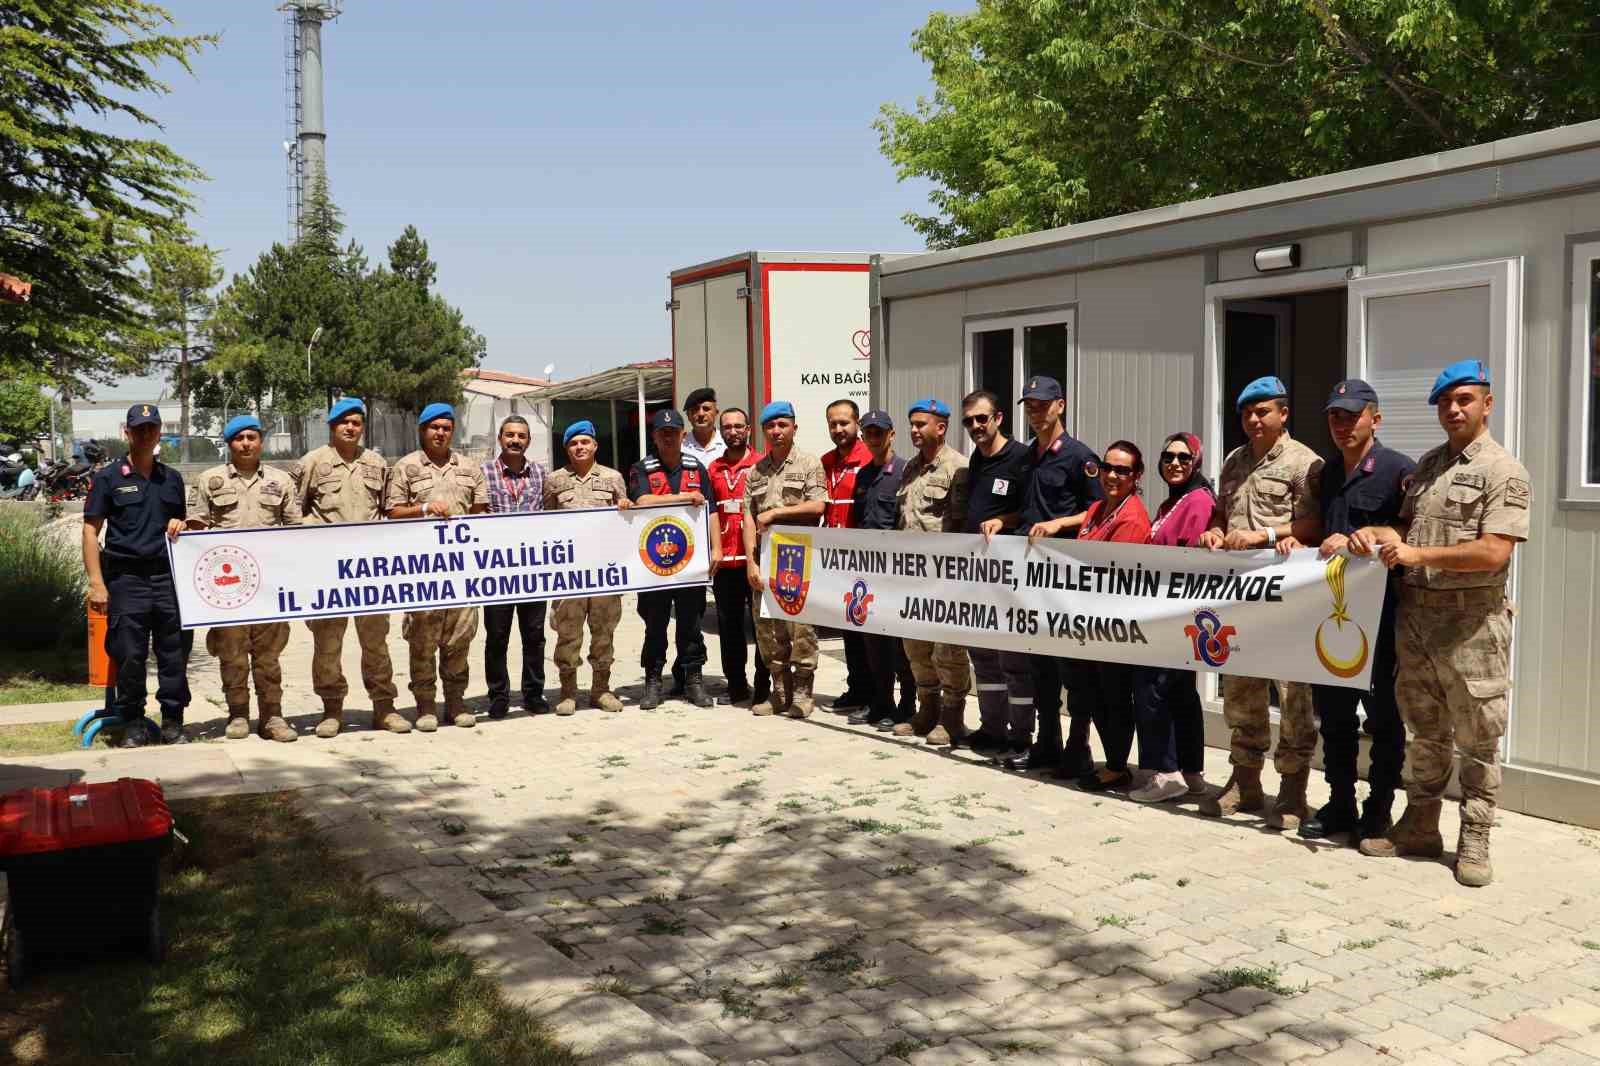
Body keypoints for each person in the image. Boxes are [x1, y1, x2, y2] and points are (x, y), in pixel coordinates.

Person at [1356, 360, 1529, 887]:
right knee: (1426, 731)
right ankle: (1421, 824)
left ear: (1487, 405)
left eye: (1465, 400)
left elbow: (1493, 552)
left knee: (1478, 739)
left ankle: (1474, 836)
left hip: (1471, 628)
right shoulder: (1429, 466)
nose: (1454, 409)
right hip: (1418, 624)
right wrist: (1371, 533)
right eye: (1445, 402)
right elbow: (1405, 528)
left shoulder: (1504, 471)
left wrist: (1414, 554)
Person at [1277, 381, 1413, 842]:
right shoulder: (1327, 473)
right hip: (1333, 616)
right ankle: (1339, 803)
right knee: (1334, 716)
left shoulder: (1398, 470)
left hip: (1382, 619)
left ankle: (1378, 809)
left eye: (1351, 415)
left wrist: (1373, 532)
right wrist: (1300, 541)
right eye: (1334, 416)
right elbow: (1321, 531)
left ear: (1375, 418)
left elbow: (1413, 530)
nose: (1341, 424)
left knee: (1384, 719)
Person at [1198, 376, 1323, 828]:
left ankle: (1292, 791)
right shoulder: (1235, 460)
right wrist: (1214, 529)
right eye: (1248, 412)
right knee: (1242, 690)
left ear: (1283, 414)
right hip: (1241, 598)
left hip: (1287, 598)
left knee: (1292, 695)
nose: (1254, 419)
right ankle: (1245, 782)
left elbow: (1314, 526)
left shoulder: (1304, 462)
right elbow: (1221, 511)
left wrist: (1266, 536)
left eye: (1263, 411)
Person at [988, 376, 1103, 775]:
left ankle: (1078, 746)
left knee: (1071, 667)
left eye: (1042, 404)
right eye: (1030, 405)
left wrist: (1059, 525)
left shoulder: (1079, 457)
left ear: (1060, 406)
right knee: (1040, 666)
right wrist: (1002, 520)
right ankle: (1047, 741)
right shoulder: (1026, 457)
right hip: (1029, 574)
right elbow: (1026, 508)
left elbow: (1099, 510)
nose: (1035, 411)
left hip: (1064, 576)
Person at [1035, 441, 1149, 791]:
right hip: (1086, 621)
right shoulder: (1102, 506)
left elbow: (1112, 574)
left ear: (1136, 476)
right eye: (1107, 467)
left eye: (1122, 470)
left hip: (1111, 624)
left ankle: (1116, 766)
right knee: (1089, 693)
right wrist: (1056, 524)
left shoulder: (1131, 518)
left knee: (1112, 697)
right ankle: (1094, 757)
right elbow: (1087, 517)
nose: (1113, 475)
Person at [185, 415, 301, 742]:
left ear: (261, 441)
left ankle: (273, 717)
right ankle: (237, 714)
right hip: (229, 587)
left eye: (252, 437)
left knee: (268, 656)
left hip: (270, 586)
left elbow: (296, 530)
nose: (246, 443)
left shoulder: (281, 480)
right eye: (239, 438)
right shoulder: (210, 480)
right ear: (229, 444)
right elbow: (198, 526)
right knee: (232, 654)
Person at [295, 398, 407, 736]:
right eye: (343, 421)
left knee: (376, 642)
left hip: (369, 570)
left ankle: (384, 708)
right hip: (327, 570)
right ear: (332, 425)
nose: (350, 427)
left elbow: (388, 511)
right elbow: (293, 514)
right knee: (328, 644)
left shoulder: (376, 463)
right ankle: (332, 710)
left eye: (356, 422)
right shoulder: (311, 463)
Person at [82, 404, 191, 746]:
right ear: (127, 434)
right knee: (129, 653)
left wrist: (181, 525)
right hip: (126, 579)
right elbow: (90, 531)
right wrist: (97, 583)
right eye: (139, 428)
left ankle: (173, 720)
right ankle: (133, 722)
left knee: (174, 652)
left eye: (151, 428)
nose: (146, 434)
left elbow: (180, 528)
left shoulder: (171, 479)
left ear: (159, 433)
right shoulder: (108, 478)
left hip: (166, 579)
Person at [383, 403, 488, 731]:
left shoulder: (470, 468)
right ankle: (426, 705)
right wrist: (424, 508)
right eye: (434, 427)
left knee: (460, 638)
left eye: (446, 427)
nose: (440, 432)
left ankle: (455, 702)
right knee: (422, 641)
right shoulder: (405, 467)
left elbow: (481, 512)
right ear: (422, 430)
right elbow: (392, 512)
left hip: (460, 570)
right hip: (422, 571)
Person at [1129, 432, 1214, 803]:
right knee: (1180, 692)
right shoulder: (1170, 503)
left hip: (1175, 611)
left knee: (1154, 689)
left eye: (1183, 457)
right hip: (1163, 609)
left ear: (1195, 461)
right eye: (1167, 457)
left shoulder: (1197, 500)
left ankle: (1165, 773)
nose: (1175, 463)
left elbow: (1186, 560)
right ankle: (1190, 771)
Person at [629, 408, 721, 709]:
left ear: (683, 434)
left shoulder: (697, 467)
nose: (668, 437)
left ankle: (692, 679)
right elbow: (642, 501)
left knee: (691, 624)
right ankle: (653, 681)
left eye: (674, 432)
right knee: (654, 625)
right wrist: (684, 498)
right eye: (662, 433)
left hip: (690, 564)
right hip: (653, 564)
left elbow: (712, 511)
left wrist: (716, 549)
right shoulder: (643, 467)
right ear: (654, 437)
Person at [894, 398, 973, 746]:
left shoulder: (959, 467)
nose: (914, 430)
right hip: (910, 576)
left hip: (945, 575)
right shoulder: (910, 468)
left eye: (921, 424)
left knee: (948, 649)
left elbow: (961, 524)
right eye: (911, 424)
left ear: (940, 427)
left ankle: (952, 715)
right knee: (916, 646)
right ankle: (926, 709)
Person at [959, 390, 1033, 758]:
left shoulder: (1021, 458)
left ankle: (1021, 734)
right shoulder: (976, 460)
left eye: (981, 419)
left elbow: (1031, 511)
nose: (975, 426)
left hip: (1010, 576)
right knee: (983, 657)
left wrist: (1004, 521)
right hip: (977, 575)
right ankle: (991, 728)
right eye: (969, 421)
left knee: (1014, 660)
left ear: (999, 418)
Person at [743, 401, 826, 718]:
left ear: (794, 427)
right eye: (770, 426)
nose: (776, 431)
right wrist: (751, 562)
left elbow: (818, 507)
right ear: (763, 431)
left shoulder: (809, 464)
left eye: (782, 425)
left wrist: (778, 513)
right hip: (764, 560)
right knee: (767, 628)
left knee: (800, 628)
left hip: (798, 559)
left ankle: (803, 695)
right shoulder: (756, 471)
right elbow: (748, 518)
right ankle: (780, 693)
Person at [544, 421, 631, 713]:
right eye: (573, 443)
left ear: (595, 445)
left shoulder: (613, 478)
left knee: (603, 631)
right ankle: (568, 692)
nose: (579, 447)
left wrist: (626, 508)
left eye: (585, 442)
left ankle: (601, 690)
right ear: (566, 448)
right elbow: (545, 524)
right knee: (568, 633)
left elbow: (626, 521)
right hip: (569, 574)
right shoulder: (554, 480)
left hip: (604, 572)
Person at [847, 409, 917, 730]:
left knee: (899, 645)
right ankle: (880, 702)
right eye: (869, 433)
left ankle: (907, 704)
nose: (874, 439)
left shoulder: (905, 472)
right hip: (869, 572)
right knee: (873, 643)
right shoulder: (862, 476)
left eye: (880, 433)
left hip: (898, 572)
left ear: (891, 435)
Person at [481, 415, 549, 719]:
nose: (515, 440)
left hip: (533, 569)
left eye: (521, 436)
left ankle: (534, 693)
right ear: (500, 438)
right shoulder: (483, 473)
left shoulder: (540, 474)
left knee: (534, 635)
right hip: (496, 570)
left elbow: (553, 514)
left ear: (528, 441)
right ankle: (498, 696)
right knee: (497, 636)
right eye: (510, 435)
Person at [708, 407, 768, 707]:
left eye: (738, 426)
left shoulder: (761, 465)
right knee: (728, 626)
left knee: (762, 626)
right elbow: (707, 514)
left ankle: (762, 683)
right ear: (721, 431)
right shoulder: (713, 469)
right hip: (725, 561)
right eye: (727, 427)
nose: (733, 431)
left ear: (748, 430)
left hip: (755, 558)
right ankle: (735, 683)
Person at [820, 399, 876, 713]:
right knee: (850, 630)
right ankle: (856, 688)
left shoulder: (868, 458)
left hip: (866, 559)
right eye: (833, 424)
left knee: (870, 631)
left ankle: (875, 694)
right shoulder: (826, 461)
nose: (839, 429)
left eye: (844, 423)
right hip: (837, 561)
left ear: (856, 423)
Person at [681, 386, 727, 469]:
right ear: (688, 415)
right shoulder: (681, 446)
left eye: (706, 409)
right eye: (695, 409)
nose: (701, 414)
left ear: (716, 413)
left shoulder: (727, 443)